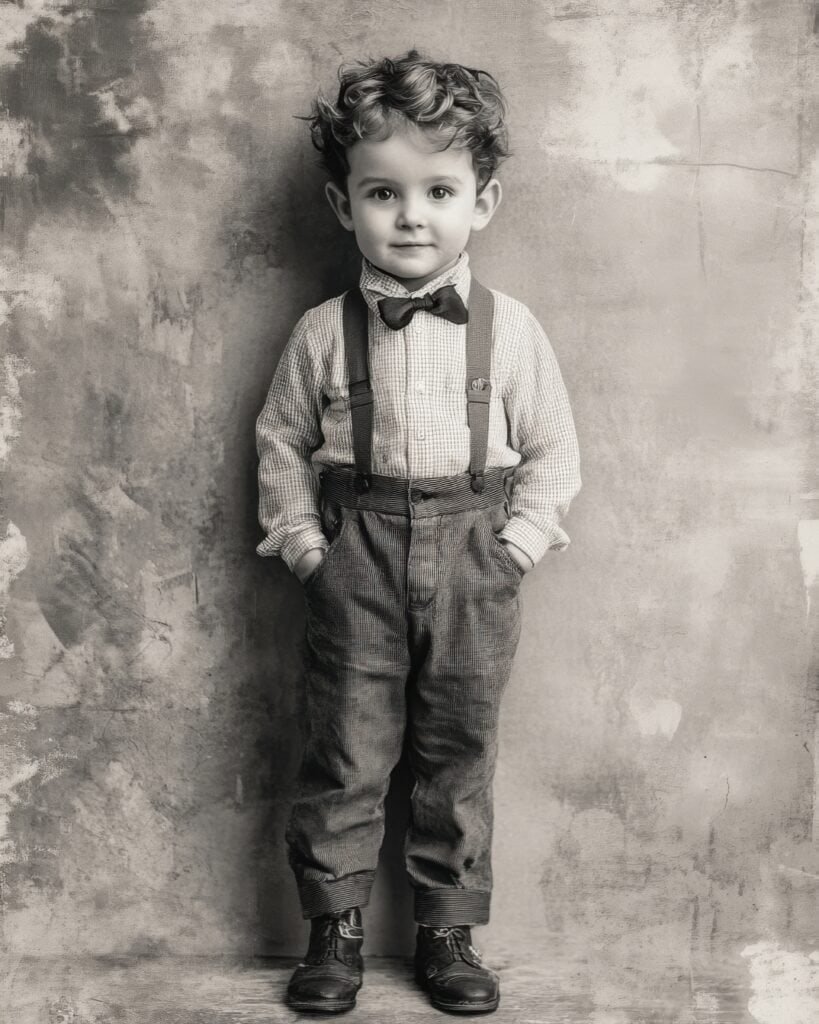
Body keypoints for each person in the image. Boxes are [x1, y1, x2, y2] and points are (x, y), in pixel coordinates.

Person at [255, 49, 581, 1015]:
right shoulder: (320, 330)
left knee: (458, 748)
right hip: (354, 553)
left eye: (438, 190)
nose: (410, 215)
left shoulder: (510, 328)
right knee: (346, 749)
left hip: (476, 553)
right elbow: (279, 441)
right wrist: (306, 548)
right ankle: (334, 930)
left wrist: (517, 546)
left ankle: (447, 929)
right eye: (382, 192)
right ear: (340, 201)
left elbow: (554, 451)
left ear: (479, 202)